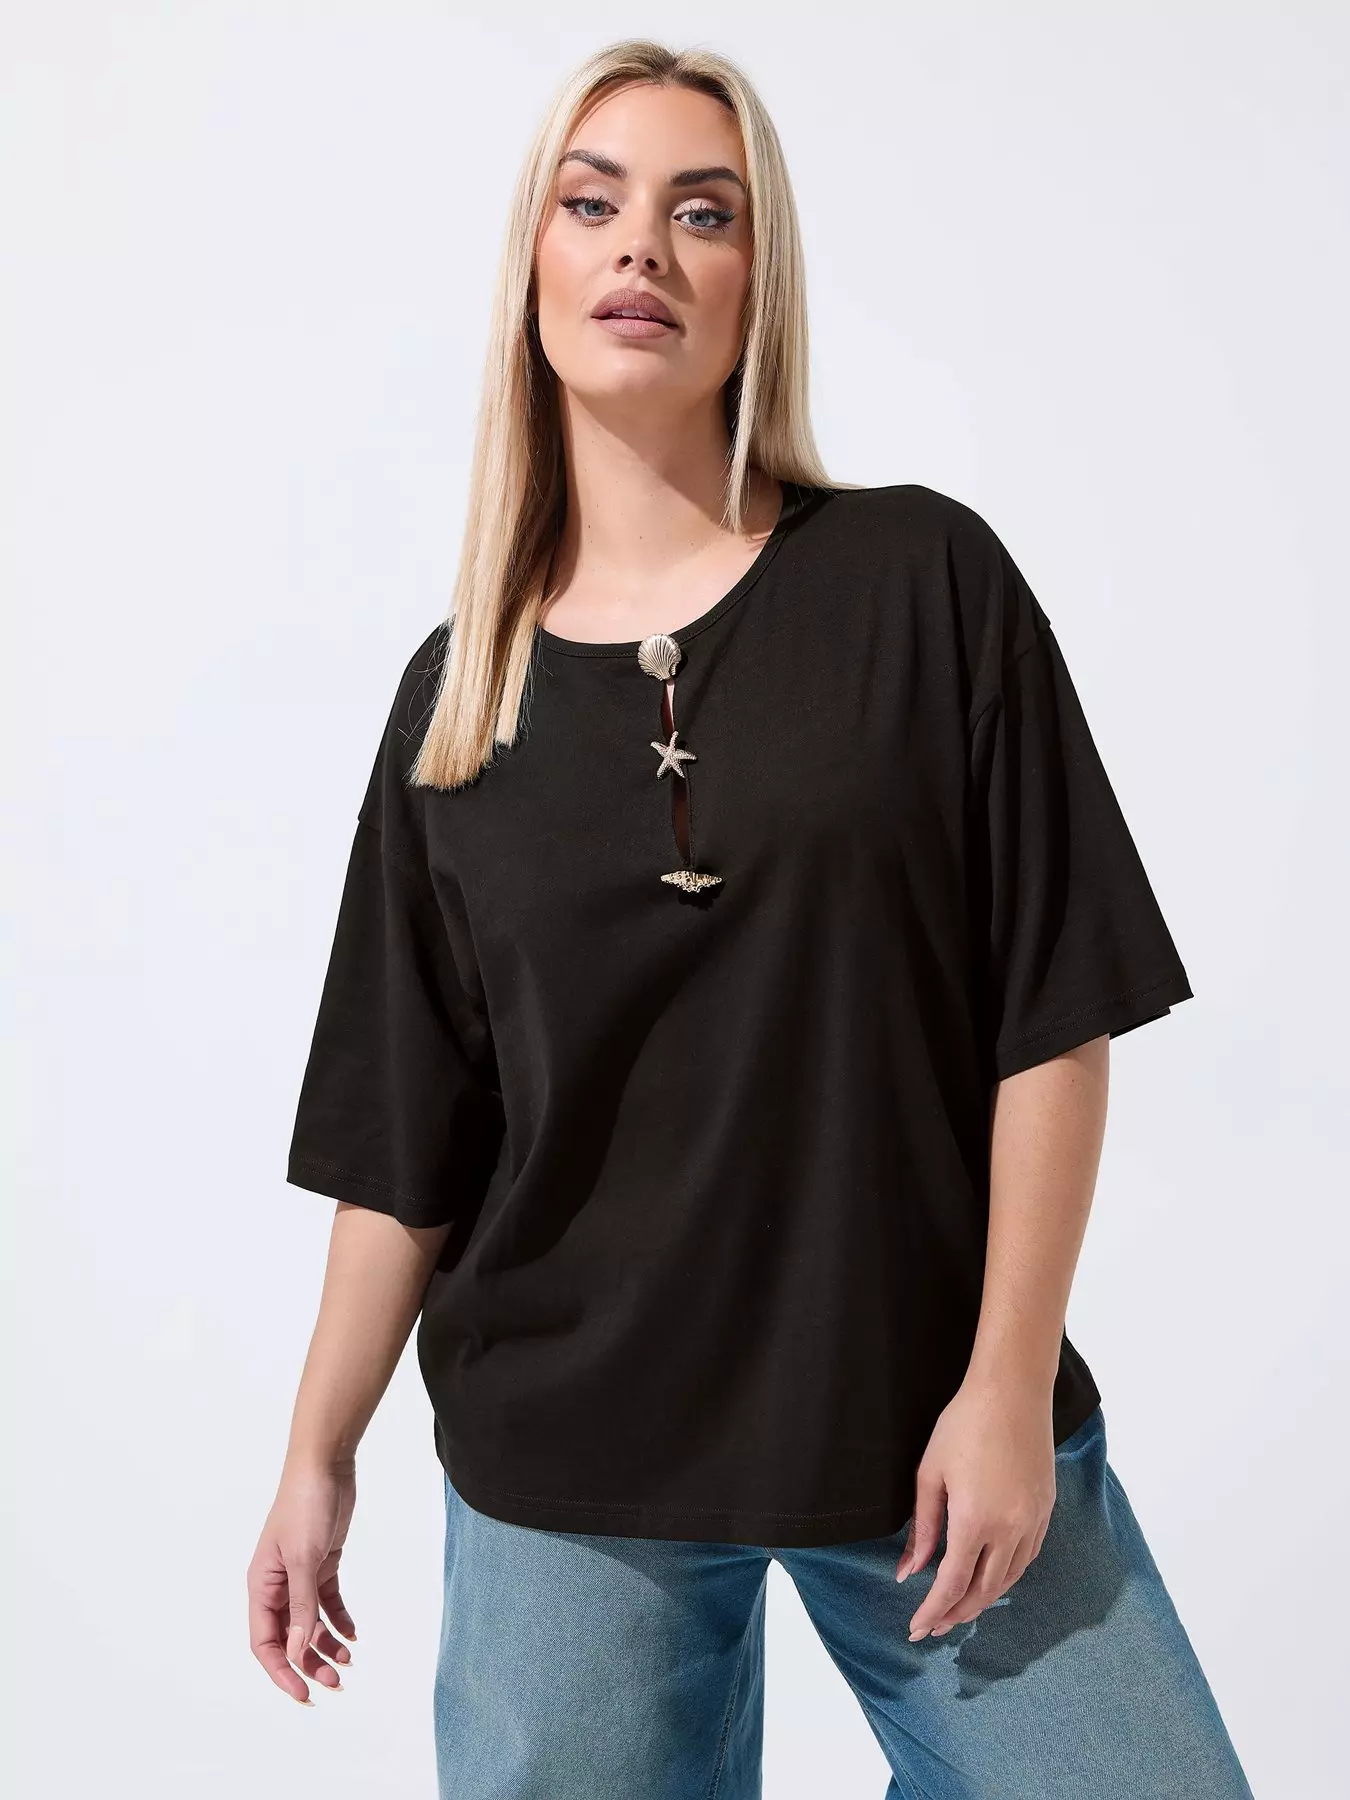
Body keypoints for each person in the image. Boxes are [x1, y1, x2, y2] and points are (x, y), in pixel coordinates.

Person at [247, 37, 1255, 1800]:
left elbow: (1051, 1014)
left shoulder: (921, 582)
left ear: (753, 286)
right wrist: (314, 1454)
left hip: (924, 1432)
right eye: (592, 204)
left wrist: (1006, 1383)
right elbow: (406, 1142)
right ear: (534, 267)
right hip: (570, 1463)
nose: (641, 244)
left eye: (700, 214)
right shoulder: (456, 701)